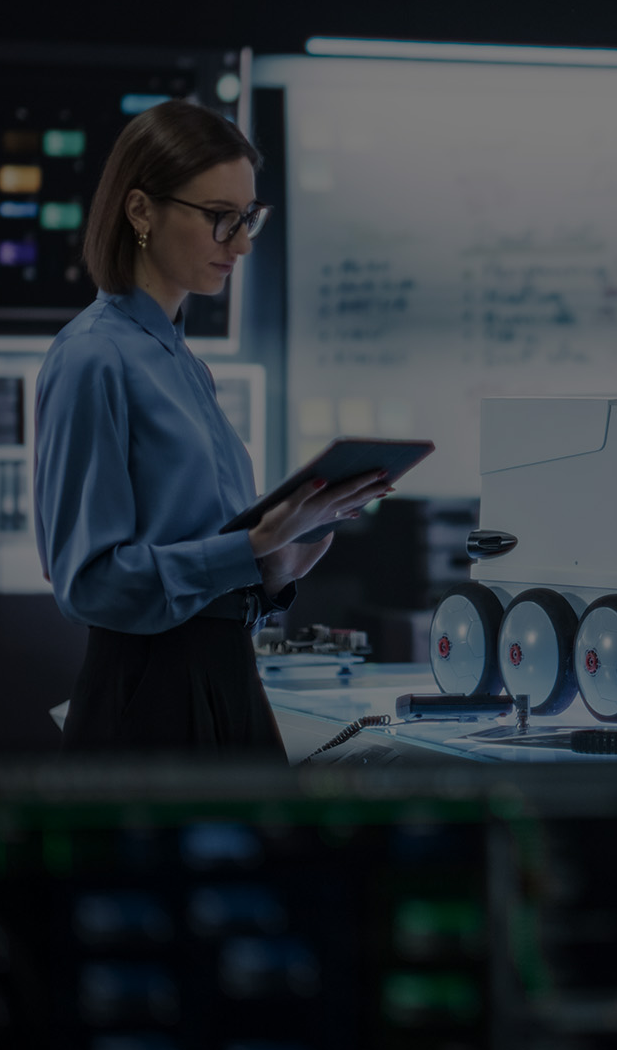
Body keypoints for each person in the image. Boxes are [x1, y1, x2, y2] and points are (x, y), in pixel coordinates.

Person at [35, 100, 388, 755]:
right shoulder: (92, 357)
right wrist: (249, 548)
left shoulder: (184, 364)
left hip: (227, 678)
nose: (244, 242)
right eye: (221, 217)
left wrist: (282, 560)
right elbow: (88, 583)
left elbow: (211, 562)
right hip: (150, 698)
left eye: (248, 217)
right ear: (140, 210)